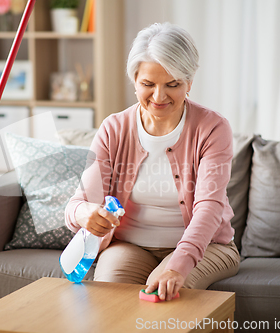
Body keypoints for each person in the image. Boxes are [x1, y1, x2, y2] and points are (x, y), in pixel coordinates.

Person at [65, 22, 240, 301]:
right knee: (109, 302)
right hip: (130, 245)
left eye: (173, 85)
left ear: (189, 83)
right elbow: (77, 202)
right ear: (134, 81)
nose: (159, 97)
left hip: (208, 247)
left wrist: (177, 265)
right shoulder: (113, 129)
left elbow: (209, 207)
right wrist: (84, 213)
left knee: (163, 297)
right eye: (148, 84)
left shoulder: (212, 128)